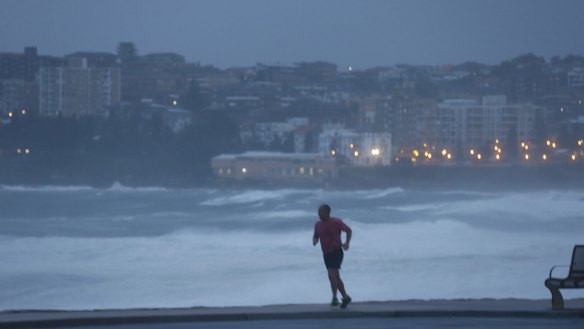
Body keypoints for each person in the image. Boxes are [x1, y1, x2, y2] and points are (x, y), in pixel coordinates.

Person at [312, 204, 352, 308]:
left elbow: (348, 230)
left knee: (331, 275)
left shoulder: (336, 222)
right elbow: (316, 235)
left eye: (320, 212)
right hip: (326, 254)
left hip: (336, 252)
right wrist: (315, 240)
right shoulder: (317, 225)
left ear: (327, 212)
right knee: (336, 276)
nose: (318, 214)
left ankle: (334, 298)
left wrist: (347, 242)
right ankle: (345, 297)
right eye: (318, 212)